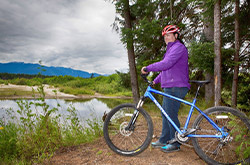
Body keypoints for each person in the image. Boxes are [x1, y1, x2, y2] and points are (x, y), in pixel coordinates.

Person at [141, 25, 190, 153]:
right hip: (170, 86)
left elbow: (166, 64)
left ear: (176, 36)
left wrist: (148, 68)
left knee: (170, 114)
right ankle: (164, 139)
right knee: (166, 113)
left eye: (169, 35)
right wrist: (155, 81)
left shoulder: (178, 48)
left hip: (177, 86)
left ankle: (175, 143)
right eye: (165, 36)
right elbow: (165, 70)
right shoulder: (170, 50)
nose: (166, 38)